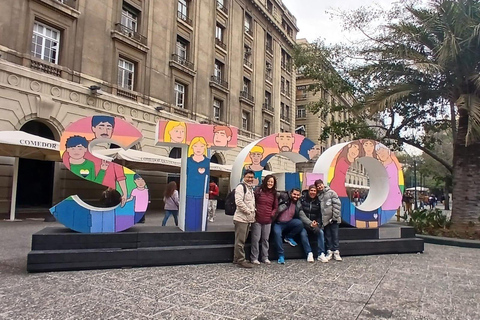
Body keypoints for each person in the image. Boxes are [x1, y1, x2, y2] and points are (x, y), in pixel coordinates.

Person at [272, 188, 314, 264]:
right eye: (294, 194)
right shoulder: (284, 197)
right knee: (277, 234)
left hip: (289, 222)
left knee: (299, 223)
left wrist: (310, 223)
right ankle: (281, 255)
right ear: (291, 193)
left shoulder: (298, 203)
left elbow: (302, 215)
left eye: (298, 195)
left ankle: (288, 237)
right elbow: (275, 193)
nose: (296, 196)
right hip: (278, 223)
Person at [251, 175, 278, 265]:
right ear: (265, 181)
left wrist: (272, 214)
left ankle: (265, 257)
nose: (270, 183)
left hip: (268, 220)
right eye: (269, 181)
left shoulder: (274, 193)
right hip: (257, 218)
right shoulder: (258, 191)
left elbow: (275, 206)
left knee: (265, 239)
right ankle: (254, 257)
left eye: (272, 182)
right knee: (256, 239)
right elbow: (253, 202)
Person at [298, 185, 329, 263]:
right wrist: (309, 223)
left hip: (314, 224)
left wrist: (317, 222)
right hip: (304, 224)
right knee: (303, 234)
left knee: (320, 232)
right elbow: (300, 213)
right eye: (311, 190)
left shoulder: (318, 201)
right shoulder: (302, 199)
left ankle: (321, 253)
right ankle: (309, 253)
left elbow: (319, 214)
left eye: (314, 191)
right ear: (308, 191)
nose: (313, 192)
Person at [233, 169, 256, 268]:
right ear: (244, 177)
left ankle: (236, 258)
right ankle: (241, 260)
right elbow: (238, 202)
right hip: (241, 218)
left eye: (252, 177)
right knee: (240, 241)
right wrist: (248, 211)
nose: (250, 179)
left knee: (242, 239)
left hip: (247, 219)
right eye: (248, 177)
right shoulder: (241, 187)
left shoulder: (250, 188)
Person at [315, 179, 342, 261]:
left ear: (323, 184)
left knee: (335, 236)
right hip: (325, 220)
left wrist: (335, 217)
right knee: (328, 236)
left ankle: (336, 252)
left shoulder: (331, 193)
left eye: (320, 185)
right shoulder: (318, 195)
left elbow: (337, 205)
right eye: (318, 186)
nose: (320, 187)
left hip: (334, 219)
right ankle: (329, 252)